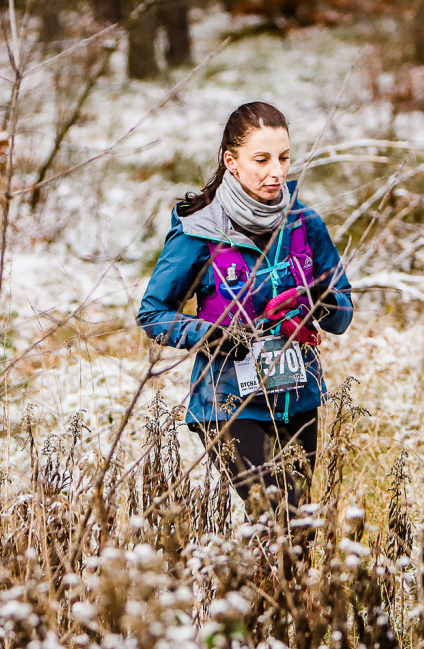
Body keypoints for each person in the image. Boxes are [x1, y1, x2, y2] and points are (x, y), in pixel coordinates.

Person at [137, 102, 353, 531]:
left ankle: (267, 597)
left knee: (300, 528)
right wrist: (214, 335)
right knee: (281, 519)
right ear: (231, 162)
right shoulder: (200, 230)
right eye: (262, 160)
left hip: (298, 395)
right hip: (228, 403)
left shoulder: (304, 222)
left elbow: (342, 309)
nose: (276, 172)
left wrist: (313, 306)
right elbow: (152, 314)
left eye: (284, 158)